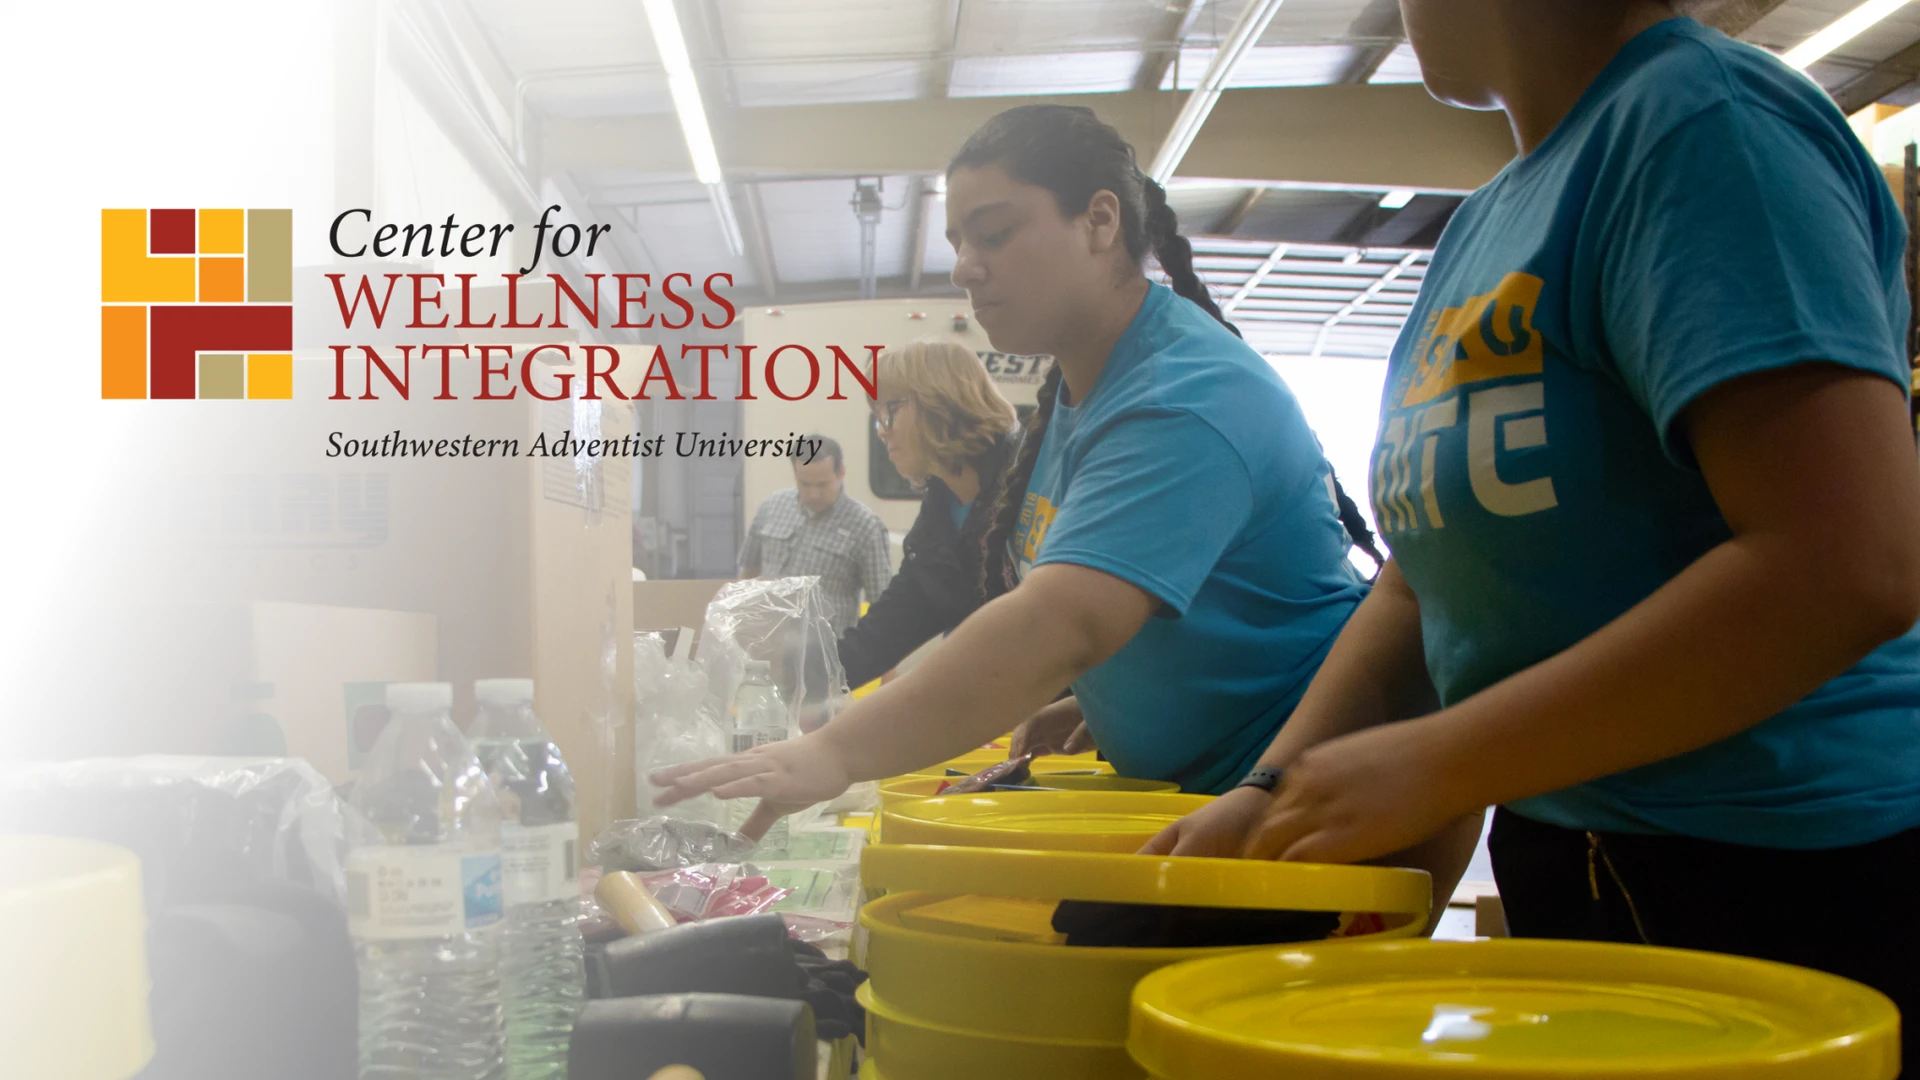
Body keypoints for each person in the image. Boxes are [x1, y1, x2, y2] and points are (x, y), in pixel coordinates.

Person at [1151, 0, 1920, 1050]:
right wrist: (1271, 783)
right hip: (1575, 852)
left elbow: (1849, 561)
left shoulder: (1704, 126)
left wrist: (1438, 764)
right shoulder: (1494, 214)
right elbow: (1422, 577)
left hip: (1776, 880)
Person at [655, 104, 1429, 885]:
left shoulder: (1181, 396)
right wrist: (1112, 700)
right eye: (957, 241)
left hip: (1304, 806)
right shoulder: (1077, 393)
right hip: (1197, 793)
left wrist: (832, 751)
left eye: (993, 234)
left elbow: (1059, 624)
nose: (964, 266)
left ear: (1099, 221)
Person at [835, 341, 1021, 690]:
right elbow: (886, 630)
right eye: (877, 416)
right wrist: (798, 677)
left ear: (941, 400)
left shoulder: (1028, 481)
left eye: (889, 410)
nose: (881, 430)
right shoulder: (941, 507)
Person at [739, 435, 892, 635]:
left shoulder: (865, 526)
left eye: (822, 485)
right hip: (769, 645)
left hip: (829, 653)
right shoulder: (772, 507)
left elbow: (881, 603)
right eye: (805, 484)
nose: (813, 494)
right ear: (795, 474)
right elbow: (749, 572)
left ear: (841, 473)